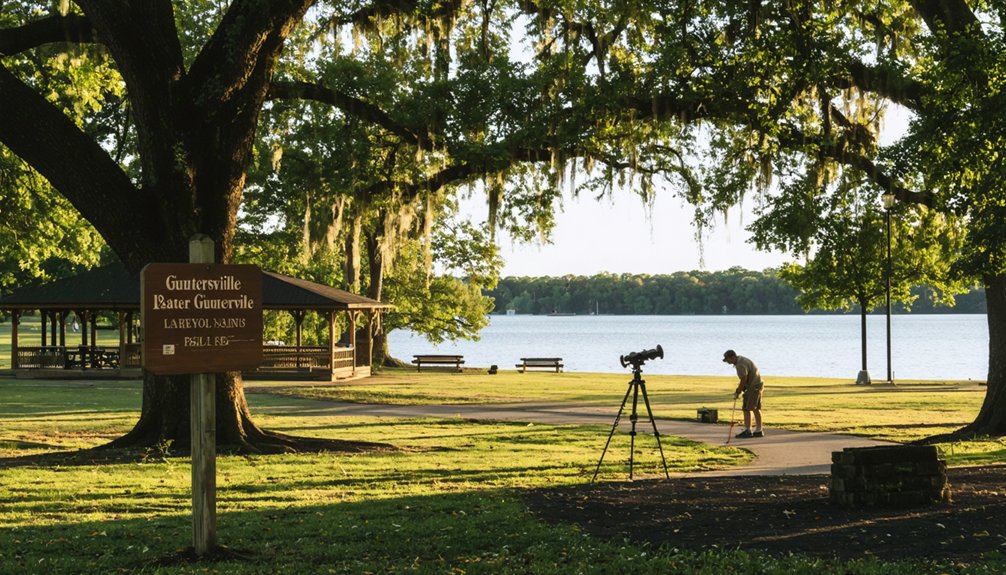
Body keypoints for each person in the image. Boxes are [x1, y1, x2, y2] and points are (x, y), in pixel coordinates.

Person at [723, 349, 764, 438]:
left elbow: (743, 379)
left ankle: (748, 430)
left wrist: (738, 391)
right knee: (756, 408)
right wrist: (742, 389)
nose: (728, 362)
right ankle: (758, 430)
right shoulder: (742, 359)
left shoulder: (740, 364)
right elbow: (746, 378)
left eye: (728, 360)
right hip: (757, 384)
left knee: (747, 408)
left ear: (733, 357)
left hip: (753, 386)